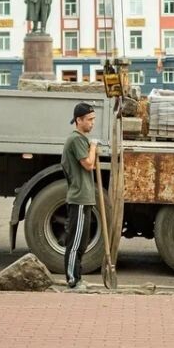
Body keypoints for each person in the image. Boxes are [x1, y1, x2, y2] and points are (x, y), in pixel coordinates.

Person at [61, 102, 98, 291]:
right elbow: (88, 164)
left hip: (86, 198)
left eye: (93, 119)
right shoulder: (76, 139)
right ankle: (72, 279)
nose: (92, 123)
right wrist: (93, 147)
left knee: (82, 242)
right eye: (89, 120)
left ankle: (78, 277)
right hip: (79, 198)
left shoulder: (81, 139)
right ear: (79, 120)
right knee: (75, 242)